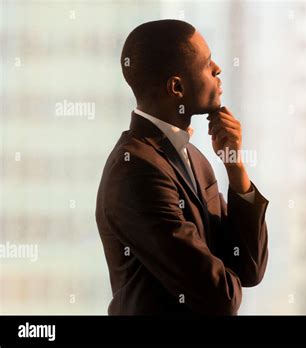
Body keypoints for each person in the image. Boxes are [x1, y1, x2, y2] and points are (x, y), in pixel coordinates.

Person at [95, 19, 269, 315]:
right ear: (176, 87)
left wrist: (234, 166)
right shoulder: (135, 170)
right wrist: (226, 272)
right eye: (207, 63)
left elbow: (249, 268)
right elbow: (219, 298)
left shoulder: (197, 160)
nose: (218, 70)